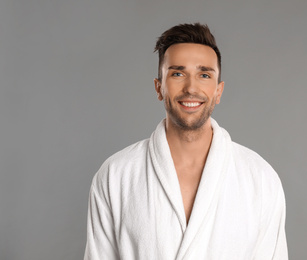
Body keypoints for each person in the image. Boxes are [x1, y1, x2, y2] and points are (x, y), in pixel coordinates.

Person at [84, 23, 288, 260]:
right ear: (159, 87)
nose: (191, 87)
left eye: (204, 75)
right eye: (177, 73)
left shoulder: (260, 179)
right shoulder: (116, 175)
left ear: (218, 91)